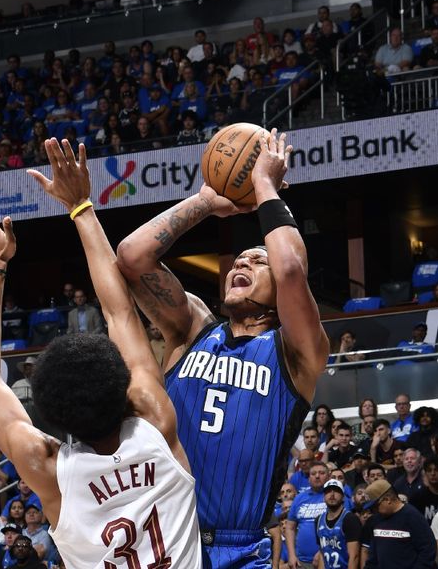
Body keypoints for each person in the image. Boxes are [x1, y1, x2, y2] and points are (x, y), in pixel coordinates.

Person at [0, 138, 202, 566]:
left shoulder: (50, 469)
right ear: (121, 384)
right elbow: (120, 314)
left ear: (53, 411)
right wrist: (80, 206)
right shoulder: (155, 422)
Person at [115, 128, 329, 568]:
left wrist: (265, 185)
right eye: (239, 260)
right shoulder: (191, 328)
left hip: (240, 548)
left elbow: (290, 267)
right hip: (166, 540)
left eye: (257, 259)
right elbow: (132, 257)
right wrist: (207, 202)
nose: (243, 263)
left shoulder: (297, 353)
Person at [359, 479, 436, 569]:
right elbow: (373, 556)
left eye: (375, 507)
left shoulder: (412, 516)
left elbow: (427, 551)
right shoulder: (376, 520)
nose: (373, 511)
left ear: (387, 499)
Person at [285, 461, 328, 568]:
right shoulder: (299, 498)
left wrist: (322, 552)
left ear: (329, 476)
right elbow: (290, 528)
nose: (317, 476)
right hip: (301, 561)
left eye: (321, 473)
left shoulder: (333, 497)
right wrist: (291, 555)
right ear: (309, 478)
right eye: (313, 474)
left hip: (327, 558)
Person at [314, 479, 361, 569]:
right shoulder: (318, 520)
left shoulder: (350, 519)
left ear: (343, 496)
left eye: (336, 491)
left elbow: (354, 557)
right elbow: (322, 554)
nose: (332, 494)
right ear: (324, 496)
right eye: (328, 491)